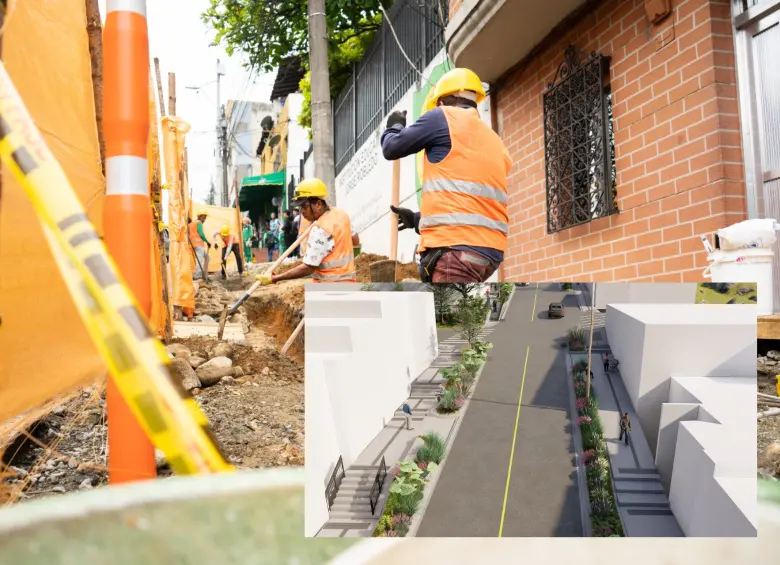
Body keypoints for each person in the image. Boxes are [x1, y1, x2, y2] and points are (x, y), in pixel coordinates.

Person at [380, 68, 512, 283]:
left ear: (441, 101)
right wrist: (417, 219)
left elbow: (392, 148)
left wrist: (394, 127)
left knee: (447, 316)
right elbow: (472, 201)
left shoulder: (443, 117)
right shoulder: (494, 140)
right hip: (489, 254)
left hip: (456, 251)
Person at [254, 178, 359, 286]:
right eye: (300, 207)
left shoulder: (320, 229)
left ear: (318, 204)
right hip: (349, 283)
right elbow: (355, 239)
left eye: (304, 206)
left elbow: (308, 267)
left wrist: (275, 278)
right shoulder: (341, 215)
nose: (302, 211)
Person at [189, 211, 210, 280]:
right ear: (200, 217)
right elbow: (201, 234)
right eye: (203, 218)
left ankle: (204, 274)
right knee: (199, 259)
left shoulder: (192, 223)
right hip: (198, 244)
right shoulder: (199, 222)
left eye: (205, 218)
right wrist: (207, 242)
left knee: (207, 257)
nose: (204, 220)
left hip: (194, 244)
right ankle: (197, 275)